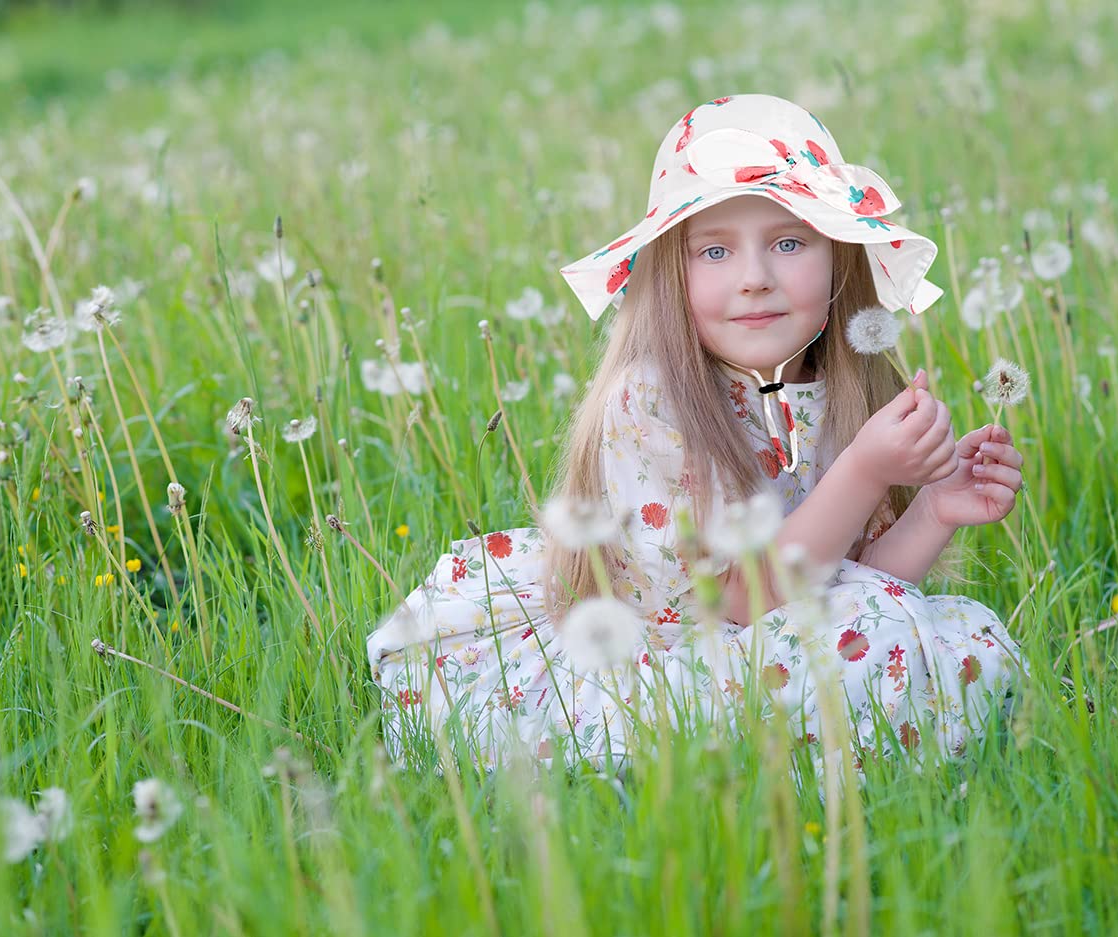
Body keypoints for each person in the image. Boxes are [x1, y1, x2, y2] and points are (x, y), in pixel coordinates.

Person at [367, 94, 1027, 776]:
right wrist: (862, 471)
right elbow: (741, 599)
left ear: (839, 255)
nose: (754, 279)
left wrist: (934, 509)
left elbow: (855, 583)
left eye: (789, 242)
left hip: (771, 646)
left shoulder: (849, 390)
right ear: (670, 275)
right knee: (877, 650)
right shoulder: (651, 400)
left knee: (952, 636)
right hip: (656, 661)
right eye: (714, 250)